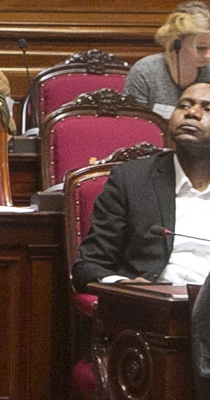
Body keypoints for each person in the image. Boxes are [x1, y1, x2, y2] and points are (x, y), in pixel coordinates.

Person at [73, 82, 210, 289]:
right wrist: (125, 286)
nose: (192, 113)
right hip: (158, 305)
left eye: (207, 109)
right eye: (184, 105)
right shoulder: (132, 180)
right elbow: (89, 264)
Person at [126, 3, 210, 119]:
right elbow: (135, 123)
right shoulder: (145, 71)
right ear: (177, 43)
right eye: (201, 48)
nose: (208, 55)